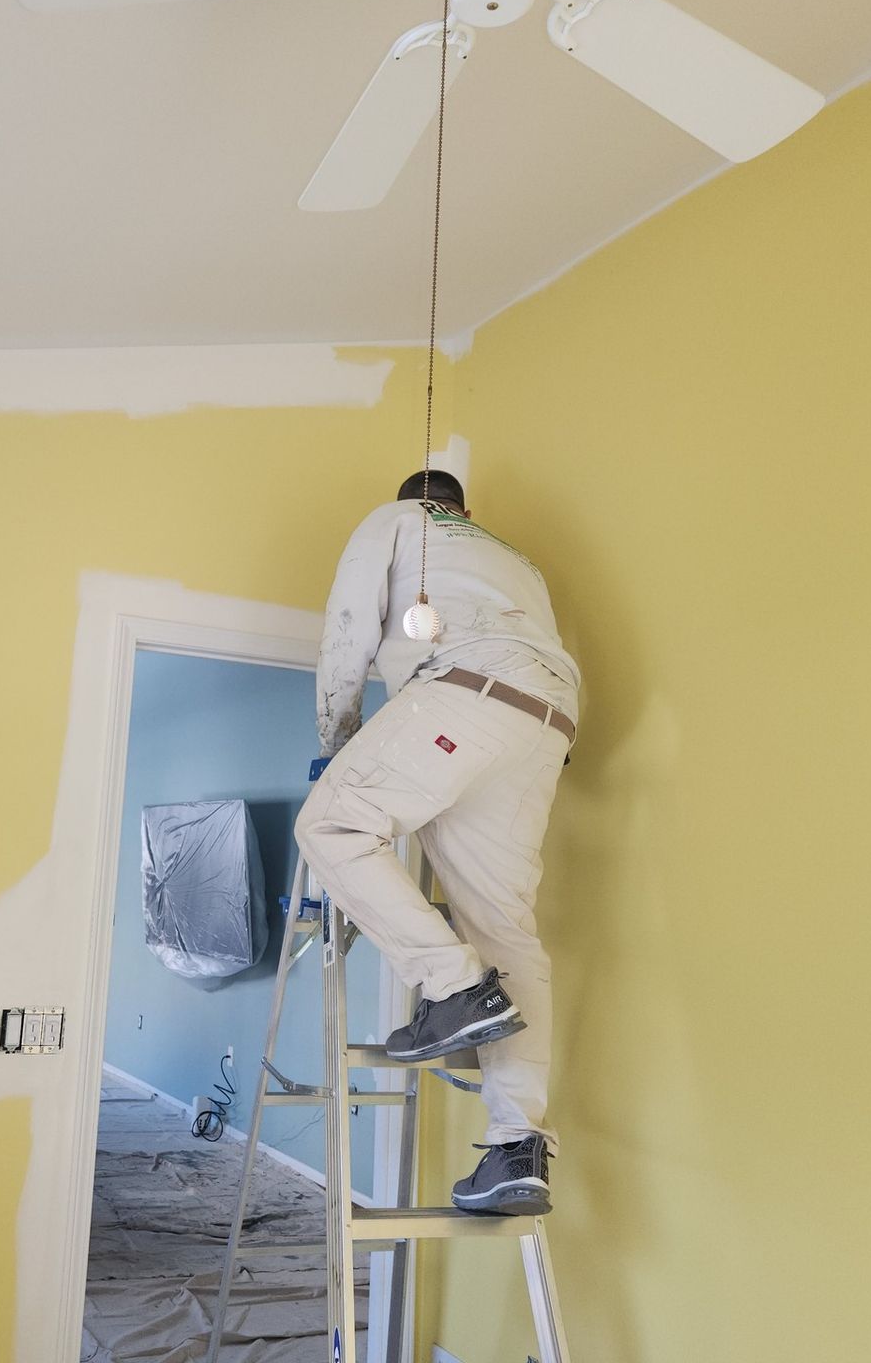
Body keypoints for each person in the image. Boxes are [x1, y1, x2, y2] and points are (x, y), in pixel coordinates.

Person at [294, 469, 580, 1216]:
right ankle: (518, 1147)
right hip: (546, 723)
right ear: (467, 511)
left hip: (468, 689)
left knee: (331, 823)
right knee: (507, 930)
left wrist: (337, 744)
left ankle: (453, 987)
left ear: (414, 500)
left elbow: (348, 630)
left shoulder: (393, 521)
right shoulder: (515, 559)